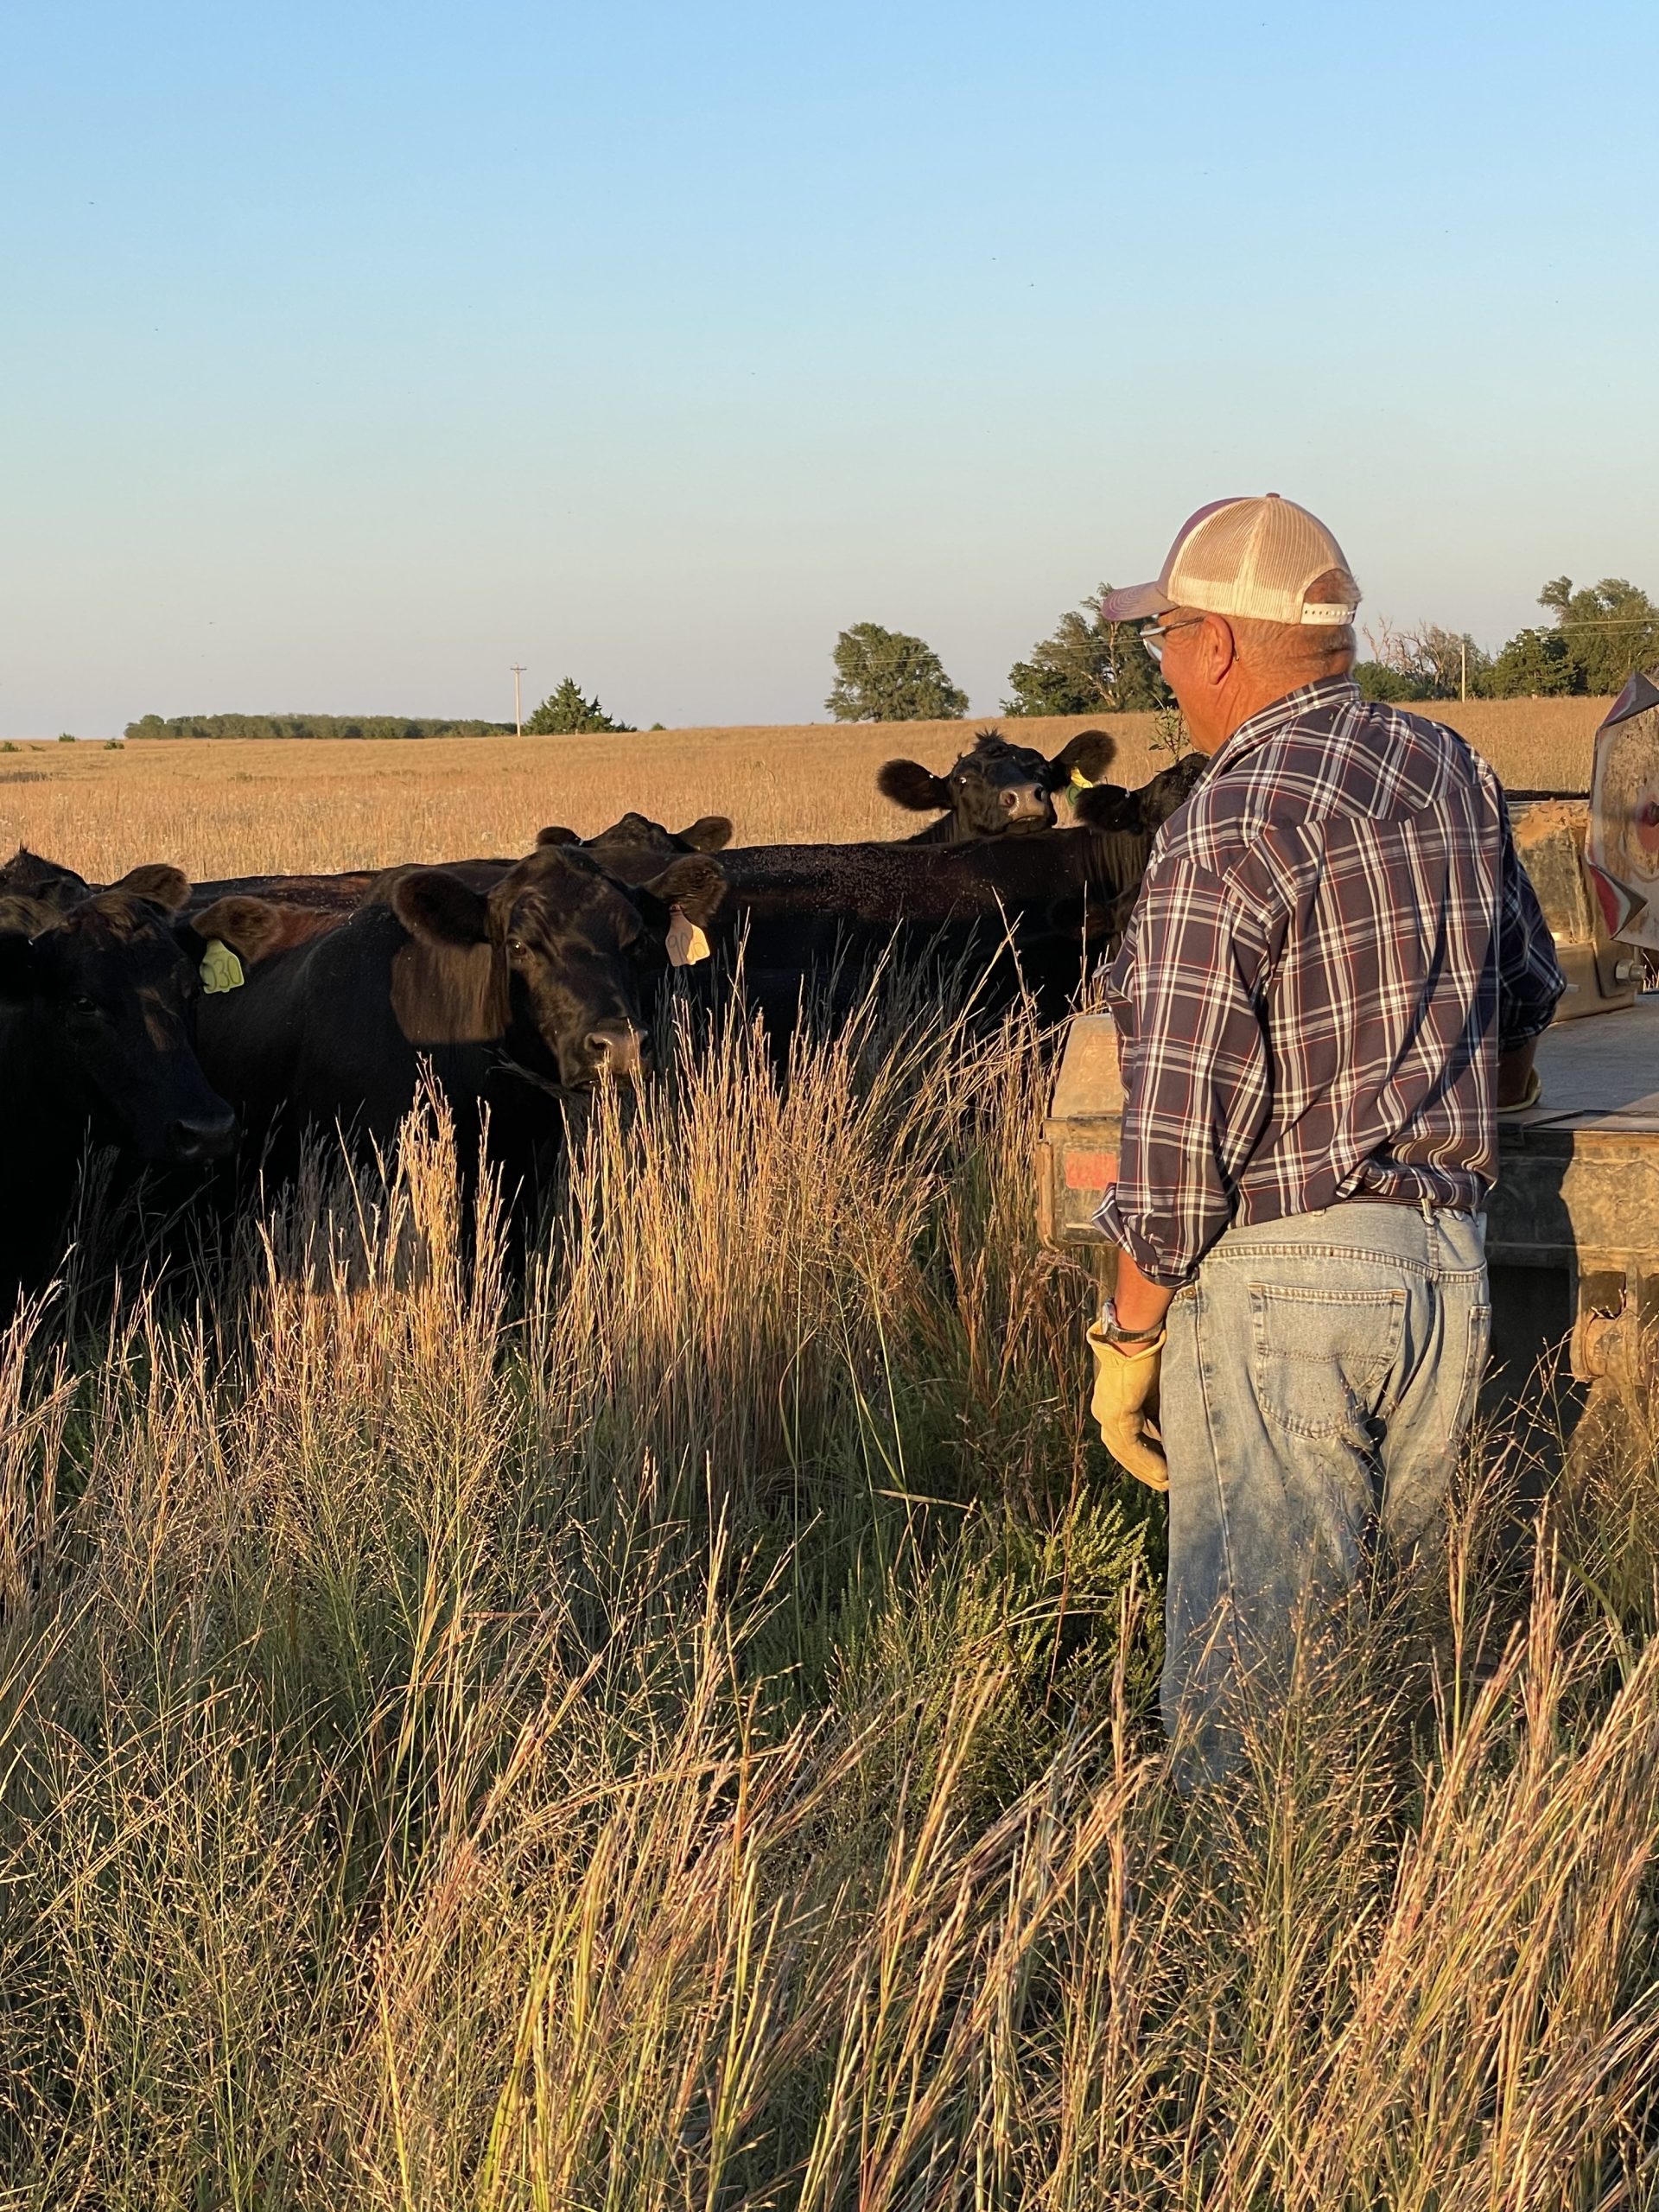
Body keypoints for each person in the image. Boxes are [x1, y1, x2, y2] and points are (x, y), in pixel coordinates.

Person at [1085, 494, 1565, 1771]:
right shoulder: (1451, 766)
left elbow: (1179, 1157)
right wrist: (1467, 1088)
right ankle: (1394, 1932)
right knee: (1372, 1679)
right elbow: (1524, 994)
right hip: (1446, 1278)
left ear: (1222, 645)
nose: (1166, 666)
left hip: (1284, 1286)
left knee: (1247, 1714)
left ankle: (1257, 1951)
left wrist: (1125, 1338)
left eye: (1168, 635)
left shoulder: (1221, 827)